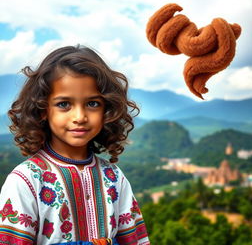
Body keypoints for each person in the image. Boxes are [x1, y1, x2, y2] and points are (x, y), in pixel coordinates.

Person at [0, 45, 150, 245]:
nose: (80, 117)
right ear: (43, 109)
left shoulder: (114, 178)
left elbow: (136, 241)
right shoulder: (26, 181)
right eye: (64, 104)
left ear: (107, 109)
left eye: (92, 103)